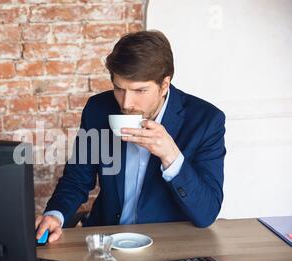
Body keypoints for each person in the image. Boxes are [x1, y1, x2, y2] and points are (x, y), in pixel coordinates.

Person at [35, 30, 226, 243]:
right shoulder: (98, 110)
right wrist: (55, 214)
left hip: (169, 245)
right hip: (108, 240)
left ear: (164, 85)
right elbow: (77, 178)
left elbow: (207, 213)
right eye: (119, 88)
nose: (126, 104)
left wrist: (172, 157)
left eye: (139, 91)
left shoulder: (206, 121)